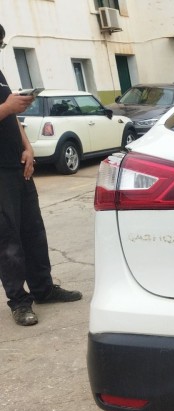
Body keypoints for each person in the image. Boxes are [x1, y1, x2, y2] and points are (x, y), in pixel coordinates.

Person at [0, 24, 81, 326]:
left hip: (17, 164)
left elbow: (12, 118)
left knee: (33, 231)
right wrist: (7, 107)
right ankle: (19, 302)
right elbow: (6, 110)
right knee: (7, 238)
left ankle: (43, 289)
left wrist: (28, 147)